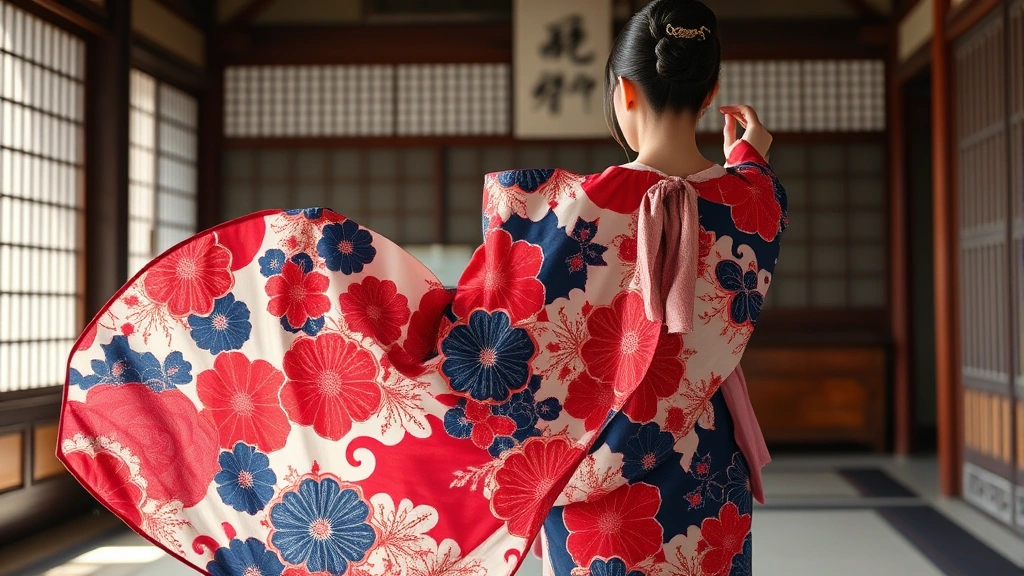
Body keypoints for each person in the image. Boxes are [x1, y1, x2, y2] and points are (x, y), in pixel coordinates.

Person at [57, 1, 785, 575]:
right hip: (707, 466)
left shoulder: (568, 211)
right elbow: (740, 185)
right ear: (712, 92)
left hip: (595, 473)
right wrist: (747, 156)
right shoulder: (754, 201)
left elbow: (487, 343)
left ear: (622, 90)